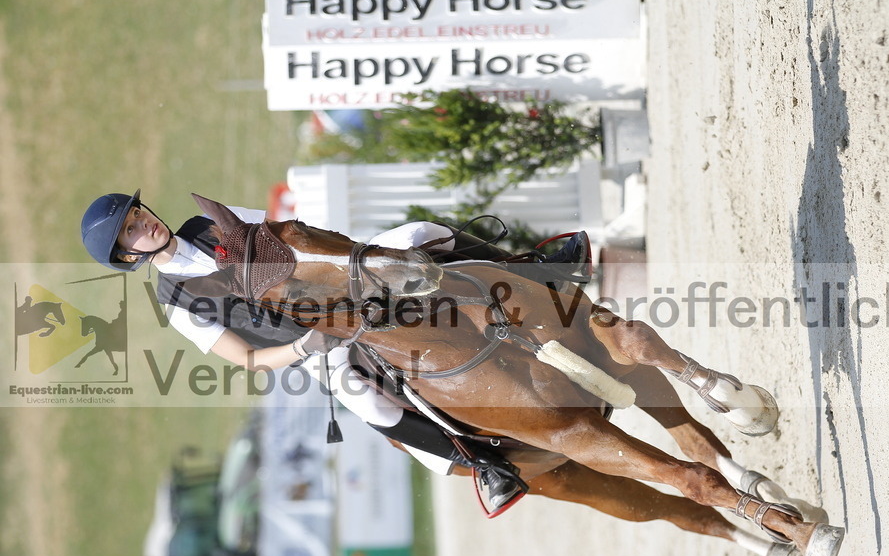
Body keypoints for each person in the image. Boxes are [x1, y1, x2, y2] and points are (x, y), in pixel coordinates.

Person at [80, 189, 588, 511]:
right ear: (128, 255)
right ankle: (483, 464)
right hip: (313, 343)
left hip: (336, 287)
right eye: (130, 230)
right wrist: (304, 344)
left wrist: (353, 266)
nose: (143, 223)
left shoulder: (210, 222)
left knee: (421, 234)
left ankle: (535, 269)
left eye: (136, 212)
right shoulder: (177, 303)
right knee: (367, 400)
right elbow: (249, 359)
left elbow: (291, 247)